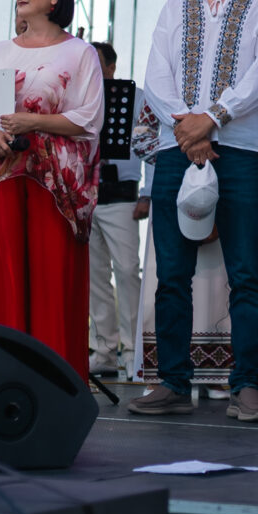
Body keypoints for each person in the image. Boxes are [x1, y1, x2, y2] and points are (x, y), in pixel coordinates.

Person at [129, 0, 258, 423]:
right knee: (172, 273)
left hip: (238, 149)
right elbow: (156, 75)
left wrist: (212, 119)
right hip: (177, 147)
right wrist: (187, 126)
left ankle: (246, 385)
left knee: (245, 272)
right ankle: (173, 382)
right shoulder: (176, 7)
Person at [0, 0, 103, 378]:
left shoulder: (79, 53)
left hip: (54, 184)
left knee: (51, 282)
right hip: (2, 176)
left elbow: (89, 118)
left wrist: (33, 122)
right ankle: (8, 381)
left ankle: (56, 385)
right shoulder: (0, 51)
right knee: (6, 280)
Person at [88, 41, 146, 377]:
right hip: (87, 195)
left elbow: (150, 142)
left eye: (97, 63)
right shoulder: (79, 97)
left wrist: (147, 194)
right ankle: (104, 350)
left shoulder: (134, 98)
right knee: (95, 276)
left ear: (111, 66)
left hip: (122, 195)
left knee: (127, 271)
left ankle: (133, 350)